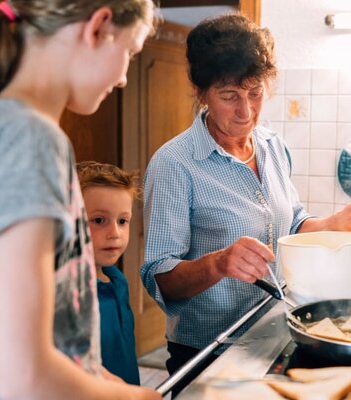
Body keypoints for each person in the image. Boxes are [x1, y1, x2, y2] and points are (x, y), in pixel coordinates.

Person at [0, 0, 161, 399]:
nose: (122, 78)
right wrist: (134, 396)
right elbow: (21, 375)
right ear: (98, 27)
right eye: (130, 53)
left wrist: (96, 377)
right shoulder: (31, 140)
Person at [140, 13, 351, 397]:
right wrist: (218, 263)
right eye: (229, 95)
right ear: (200, 90)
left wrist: (337, 222)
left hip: (270, 331)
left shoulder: (272, 146)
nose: (246, 112)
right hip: (207, 348)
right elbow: (160, 277)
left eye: (255, 93)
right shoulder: (174, 164)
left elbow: (292, 223)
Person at [77, 161, 141, 385]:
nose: (115, 233)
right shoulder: (70, 294)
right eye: (98, 220)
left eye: (123, 221)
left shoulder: (118, 281)